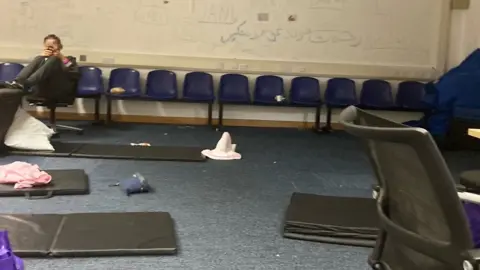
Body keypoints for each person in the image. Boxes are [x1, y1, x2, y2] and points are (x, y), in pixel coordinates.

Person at [1, 34, 80, 99]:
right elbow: (31, 70)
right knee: (39, 58)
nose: (50, 48)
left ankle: (26, 84)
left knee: (54, 59)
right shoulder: (41, 59)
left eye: (53, 45)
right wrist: (40, 57)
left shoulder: (69, 59)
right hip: (41, 89)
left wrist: (61, 57)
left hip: (59, 89)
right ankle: (18, 82)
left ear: (59, 46)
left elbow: (74, 72)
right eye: (48, 46)